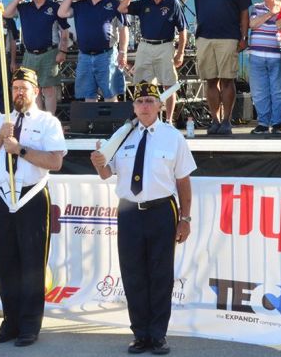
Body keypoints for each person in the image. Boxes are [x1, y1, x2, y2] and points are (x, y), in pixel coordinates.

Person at [90, 80, 195, 355]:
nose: (145, 106)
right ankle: (140, 334)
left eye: (150, 101)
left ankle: (158, 335)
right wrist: (98, 164)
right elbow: (106, 173)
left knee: (160, 275)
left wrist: (186, 218)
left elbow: (183, 181)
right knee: (133, 274)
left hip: (162, 211)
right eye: (139, 102)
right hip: (128, 212)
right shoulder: (121, 136)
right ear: (133, 107)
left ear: (160, 106)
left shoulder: (173, 137)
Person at [0, 67, 66, 347]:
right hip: (4, 197)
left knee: (31, 265)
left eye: (23, 88)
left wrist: (20, 150)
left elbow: (55, 162)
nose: (18, 93)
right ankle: (10, 323)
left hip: (32, 197)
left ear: (35, 91)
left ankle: (29, 325)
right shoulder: (1, 122)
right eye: (14, 88)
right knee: (7, 264)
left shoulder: (48, 122)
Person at [171, 0, 252, 135]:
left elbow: (244, 11)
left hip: (228, 37)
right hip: (205, 37)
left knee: (227, 80)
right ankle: (214, 120)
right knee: (210, 80)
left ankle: (226, 121)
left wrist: (244, 37)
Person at [118, 0, 188, 124]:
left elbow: (183, 30)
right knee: (142, 84)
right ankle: (146, 119)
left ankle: (168, 120)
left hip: (165, 45)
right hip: (145, 45)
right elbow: (122, 8)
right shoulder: (145, 3)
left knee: (168, 83)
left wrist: (180, 52)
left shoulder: (173, 3)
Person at [3, 0, 71, 114]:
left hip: (49, 53)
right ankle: (39, 119)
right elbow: (6, 13)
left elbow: (65, 31)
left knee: (48, 89)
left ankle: (50, 120)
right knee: (33, 88)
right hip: (29, 54)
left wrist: (62, 51)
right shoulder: (24, 7)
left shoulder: (54, 7)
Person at [58, 0, 128, 102]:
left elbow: (123, 29)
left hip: (106, 55)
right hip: (84, 56)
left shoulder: (114, 4)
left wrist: (123, 51)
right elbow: (61, 13)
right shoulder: (80, 5)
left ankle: (112, 123)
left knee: (110, 94)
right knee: (88, 95)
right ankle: (91, 123)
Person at [247, 0, 281, 134]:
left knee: (278, 90)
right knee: (259, 91)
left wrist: (276, 12)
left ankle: (277, 123)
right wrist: (270, 13)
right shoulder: (256, 7)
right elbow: (253, 24)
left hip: (277, 56)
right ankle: (263, 123)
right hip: (256, 56)